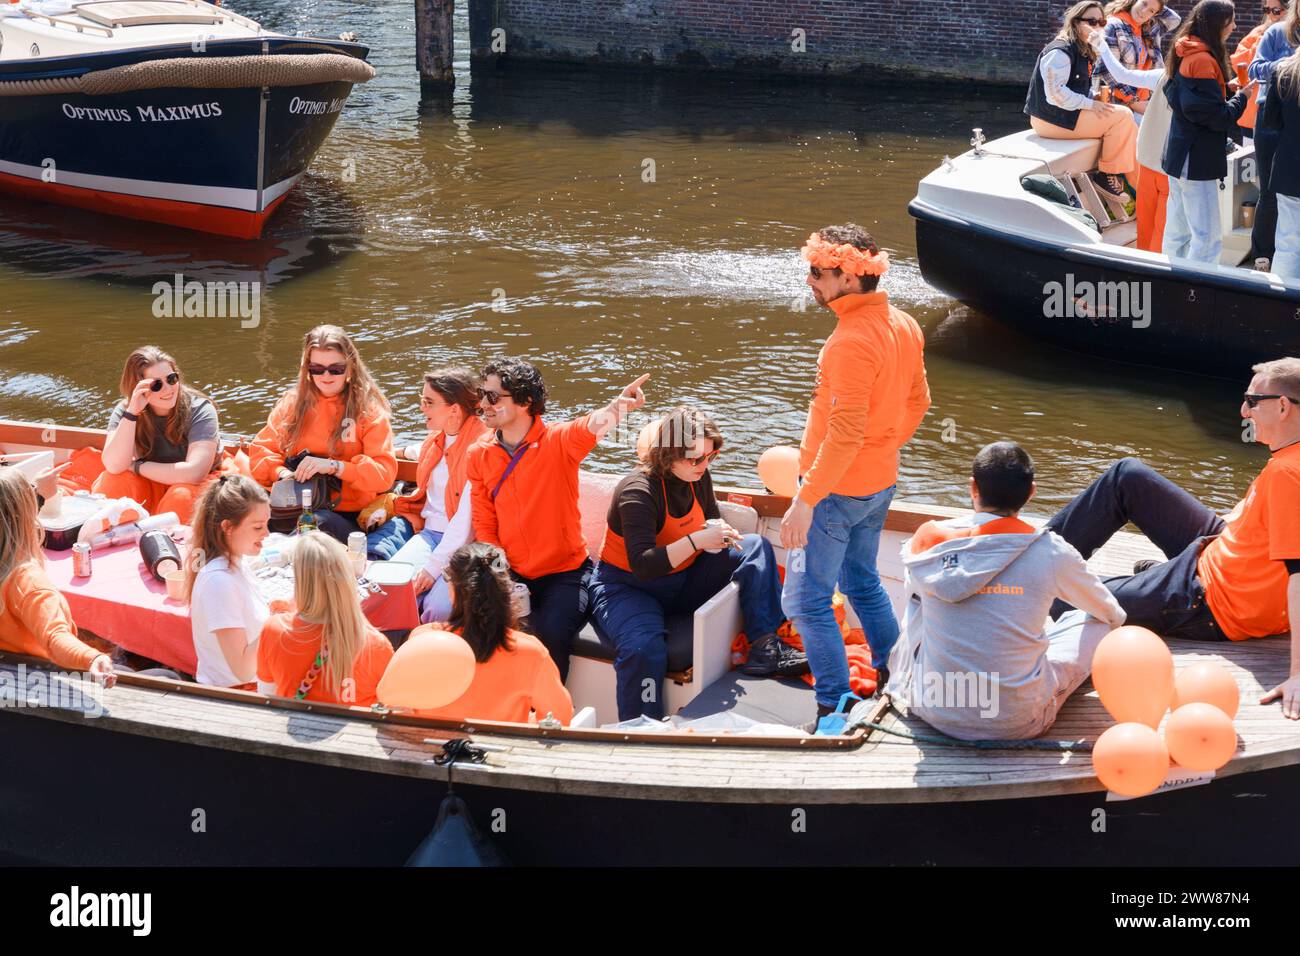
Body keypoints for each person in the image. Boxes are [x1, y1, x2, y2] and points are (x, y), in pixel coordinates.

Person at [1046, 357, 1300, 719]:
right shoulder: (1289, 455)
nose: (1244, 411)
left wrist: (1298, 674)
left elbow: (1298, 575)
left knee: (1061, 599)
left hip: (1212, 599)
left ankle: (1152, 588)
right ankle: (1028, 558)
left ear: (1283, 406)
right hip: (1218, 546)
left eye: (1252, 401)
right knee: (1127, 477)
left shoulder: (1289, 474)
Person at [780, 224, 930, 734]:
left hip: (834, 492)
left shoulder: (847, 342)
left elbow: (843, 436)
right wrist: (882, 449)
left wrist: (805, 500)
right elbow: (919, 403)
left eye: (817, 273)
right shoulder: (905, 323)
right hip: (878, 482)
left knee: (804, 600)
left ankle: (834, 706)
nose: (810, 282)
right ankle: (895, 677)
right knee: (863, 582)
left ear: (846, 274)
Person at [887, 443, 1126, 740]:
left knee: (924, 609)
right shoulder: (1050, 551)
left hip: (934, 710)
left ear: (973, 487)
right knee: (1098, 623)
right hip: (1016, 723)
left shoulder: (926, 544)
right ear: (1032, 491)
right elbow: (1113, 613)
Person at [589, 406, 806, 721]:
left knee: (755, 547)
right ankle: (642, 727)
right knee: (642, 649)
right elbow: (644, 565)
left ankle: (764, 646)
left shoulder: (697, 476)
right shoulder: (637, 492)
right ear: (667, 454)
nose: (704, 465)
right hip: (628, 588)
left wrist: (720, 534)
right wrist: (697, 542)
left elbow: (709, 518)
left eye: (711, 456)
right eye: (695, 459)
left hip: (682, 578)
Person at [465, 356, 648, 680]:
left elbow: (590, 426)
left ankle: (548, 719)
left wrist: (618, 407)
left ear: (525, 401)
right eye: (483, 394)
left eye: (492, 397)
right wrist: (500, 574)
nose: (483, 404)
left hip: (566, 575)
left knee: (549, 635)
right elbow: (485, 520)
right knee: (479, 629)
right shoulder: (479, 454)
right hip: (510, 570)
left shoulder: (559, 442)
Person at [248, 325, 398, 544]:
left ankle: (278, 553)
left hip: (344, 516)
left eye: (335, 369)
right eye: (317, 369)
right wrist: (282, 474)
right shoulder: (291, 405)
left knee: (316, 523)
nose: (326, 376)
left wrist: (333, 467)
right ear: (307, 369)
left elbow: (383, 476)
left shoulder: (369, 412)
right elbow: (261, 452)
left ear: (351, 368)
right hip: (290, 505)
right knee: (238, 513)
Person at [401, 543, 573, 725]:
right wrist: (525, 720)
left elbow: (399, 703)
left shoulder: (421, 639)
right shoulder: (532, 653)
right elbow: (560, 718)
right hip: (499, 750)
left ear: (454, 592)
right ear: (507, 591)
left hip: (430, 749)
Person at [365, 367, 486, 621]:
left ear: (454, 409)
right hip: (429, 535)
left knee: (439, 608)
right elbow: (416, 451)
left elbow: (464, 524)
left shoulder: (481, 450)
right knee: (385, 588)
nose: (421, 408)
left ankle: (428, 655)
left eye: (428, 402)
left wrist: (432, 570)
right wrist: (386, 454)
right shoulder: (438, 439)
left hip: (466, 545)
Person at [1162, 0, 1256, 264]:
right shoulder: (1202, 59)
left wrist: (1224, 89)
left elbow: (1187, 100)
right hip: (1196, 159)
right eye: (1231, 21)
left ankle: (1171, 284)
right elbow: (1213, 117)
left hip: (1179, 152)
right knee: (1208, 238)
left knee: (1177, 233)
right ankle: (1197, 293)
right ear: (1217, 24)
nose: (1235, 26)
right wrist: (1242, 97)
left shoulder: (1185, 48)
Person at [0, 469, 115, 684]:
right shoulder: (27, 581)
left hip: (9, 673)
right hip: (37, 682)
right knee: (163, 675)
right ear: (28, 515)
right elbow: (55, 637)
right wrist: (92, 658)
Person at [256, 532, 394, 706]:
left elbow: (267, 695)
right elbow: (390, 705)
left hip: (296, 727)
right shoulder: (375, 644)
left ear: (300, 581)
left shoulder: (274, 630)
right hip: (356, 731)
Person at [1025, 1, 1140, 201]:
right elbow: (1055, 95)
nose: (1098, 27)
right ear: (1076, 23)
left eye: (1102, 22)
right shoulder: (1060, 51)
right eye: (1092, 21)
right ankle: (1107, 176)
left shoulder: (1083, 49)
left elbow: (1073, 88)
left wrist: (1091, 97)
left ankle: (1140, 187)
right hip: (1049, 120)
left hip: (1063, 116)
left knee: (1124, 121)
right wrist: (1091, 104)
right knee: (1123, 116)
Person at [93, 346, 220, 525]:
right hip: (153, 476)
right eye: (156, 385)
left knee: (180, 497)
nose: (168, 389)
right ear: (137, 388)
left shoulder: (200, 409)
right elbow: (114, 465)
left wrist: (136, 466)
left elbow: (195, 472)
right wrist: (132, 413)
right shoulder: (126, 410)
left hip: (193, 482)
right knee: (112, 482)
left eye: (171, 379)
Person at [1089, 30, 1174, 250]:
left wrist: (1102, 47)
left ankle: (1143, 263)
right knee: (1163, 226)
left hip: (1146, 160)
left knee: (1146, 222)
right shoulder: (1200, 84)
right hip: (1169, 166)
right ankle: (1156, 270)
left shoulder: (1161, 76)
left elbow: (1121, 74)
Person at [184, 475, 271, 688]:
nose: (267, 534)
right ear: (227, 527)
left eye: (267, 524)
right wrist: (277, 622)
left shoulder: (236, 563)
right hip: (239, 698)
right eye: (258, 527)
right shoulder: (219, 583)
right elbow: (243, 670)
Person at [1247, 1, 1299, 263]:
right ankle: (1263, 255)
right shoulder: (1277, 33)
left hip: (1296, 121)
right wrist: (1285, 65)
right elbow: (1253, 69)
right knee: (1269, 191)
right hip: (1270, 116)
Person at [1094, 0, 1182, 119]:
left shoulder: (1148, 28)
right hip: (1120, 104)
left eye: (1151, 10)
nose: (1144, 11)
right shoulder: (1112, 25)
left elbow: (1175, 19)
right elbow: (1106, 69)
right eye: (1144, 3)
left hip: (1146, 100)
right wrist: (1133, 102)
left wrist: (1157, 7)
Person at [1261, 49, 1300, 279]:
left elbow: (1271, 121)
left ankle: (1281, 307)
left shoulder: (1281, 71)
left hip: (1288, 166)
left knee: (1287, 243)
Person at [1233, 0, 1290, 138]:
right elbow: (1238, 63)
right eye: (1267, 10)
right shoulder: (1260, 33)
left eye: (1276, 11)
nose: (1270, 15)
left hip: (1285, 113)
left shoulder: (1292, 34)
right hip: (1254, 112)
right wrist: (1261, 45)